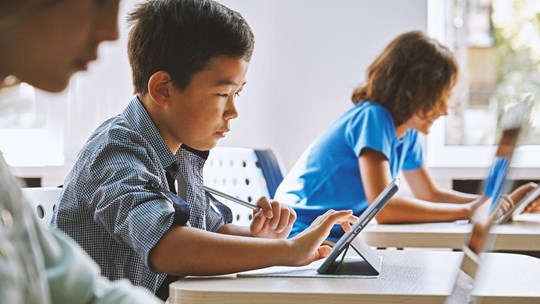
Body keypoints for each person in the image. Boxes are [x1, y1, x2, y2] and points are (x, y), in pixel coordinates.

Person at [50, 0, 357, 300]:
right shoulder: (115, 151)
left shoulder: (181, 153)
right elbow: (167, 246)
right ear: (162, 89)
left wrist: (261, 239)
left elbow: (213, 230)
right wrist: (288, 251)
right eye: (223, 93)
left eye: (238, 93)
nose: (233, 110)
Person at [274, 31, 535, 243]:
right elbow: (384, 209)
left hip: (329, 235)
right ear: (412, 91)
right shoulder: (373, 118)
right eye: (438, 98)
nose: (443, 109)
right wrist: (470, 211)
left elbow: (430, 193)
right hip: (299, 232)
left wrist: (489, 203)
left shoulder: (406, 134)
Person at [0, 0, 163, 303]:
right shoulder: (117, 145)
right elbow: (163, 243)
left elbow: (86, 293)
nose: (112, 32)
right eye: (99, 3)